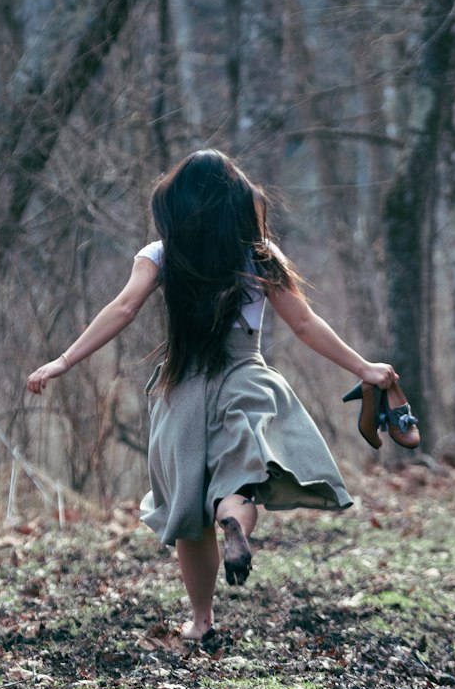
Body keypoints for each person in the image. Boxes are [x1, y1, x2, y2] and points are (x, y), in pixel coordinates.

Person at [26, 149, 400, 643]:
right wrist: (364, 367)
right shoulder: (261, 254)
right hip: (246, 379)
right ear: (238, 203)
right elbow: (306, 325)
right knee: (239, 486)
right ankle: (235, 520)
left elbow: (122, 309)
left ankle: (202, 622)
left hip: (184, 389)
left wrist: (64, 361)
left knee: (189, 516)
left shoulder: (161, 253)